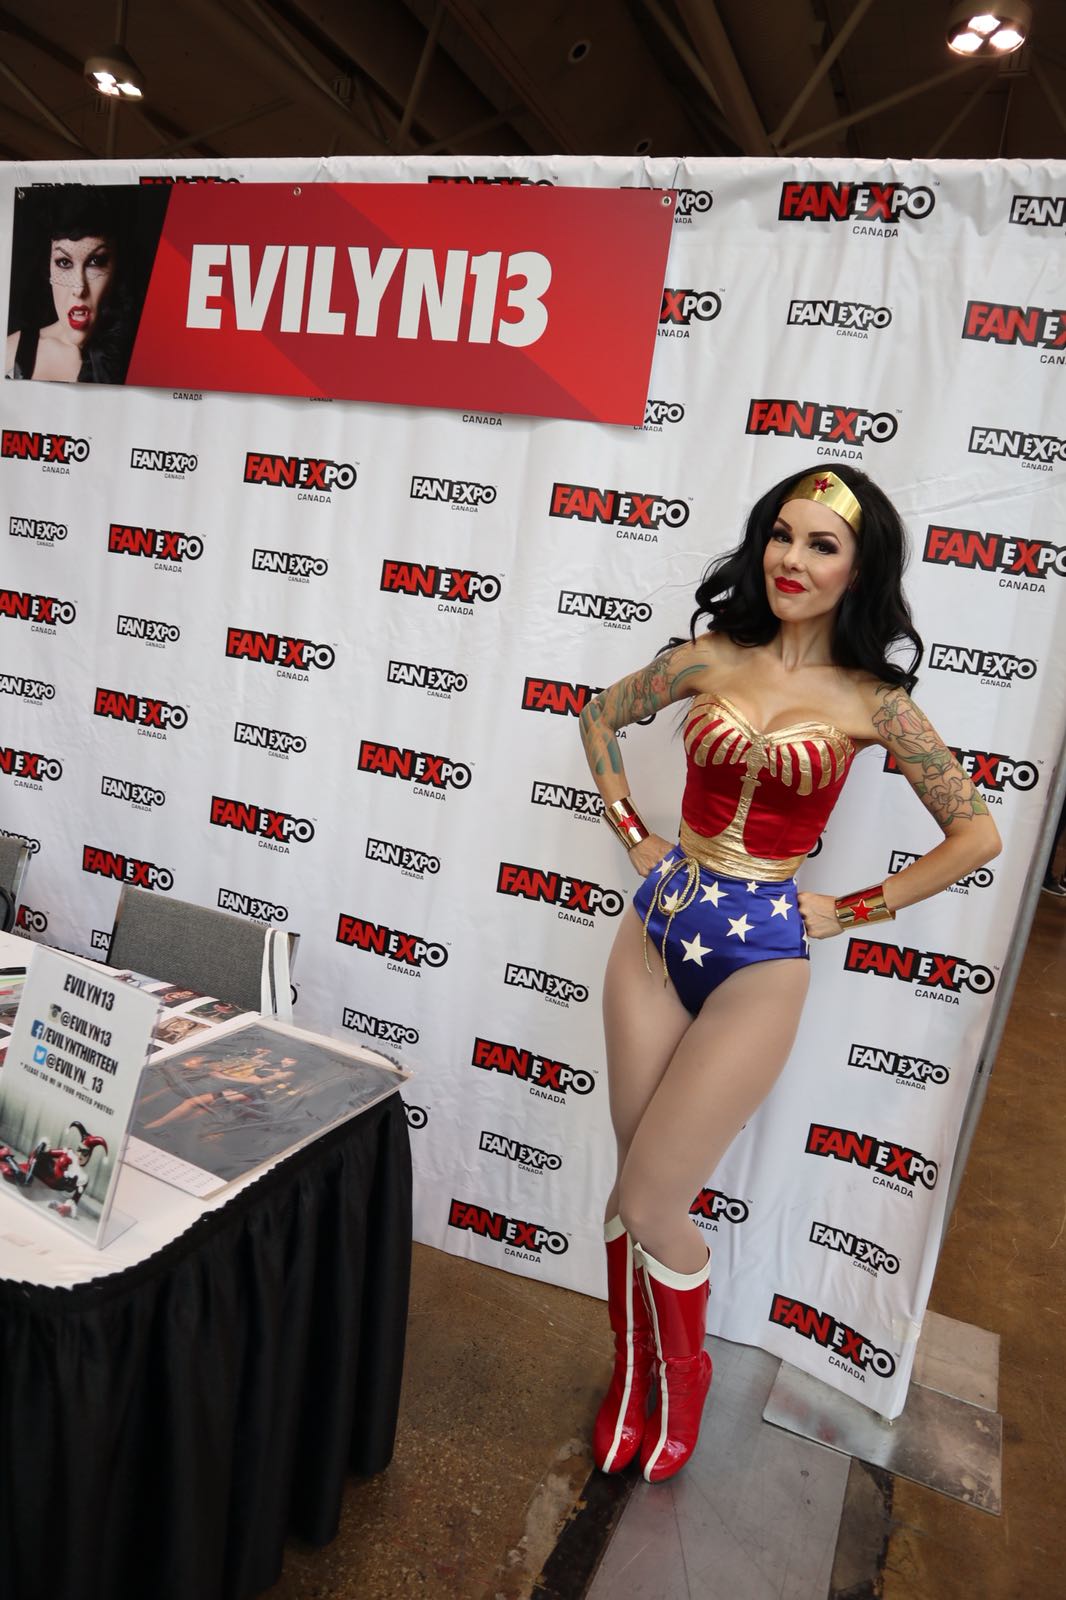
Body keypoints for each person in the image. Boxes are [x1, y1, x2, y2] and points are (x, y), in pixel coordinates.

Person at [579, 464, 1001, 1484]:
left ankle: (684, 1378)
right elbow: (597, 717)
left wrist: (853, 909)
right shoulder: (707, 657)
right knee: (633, 1188)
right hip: (656, 933)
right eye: (781, 533)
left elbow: (976, 835)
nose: (791, 558)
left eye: (821, 544)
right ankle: (630, 1377)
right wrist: (634, 834)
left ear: (860, 570)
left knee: (654, 1198)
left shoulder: (875, 703)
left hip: (760, 957)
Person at [5, 190, 130, 384]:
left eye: (96, 261)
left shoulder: (143, 354)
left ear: (117, 267)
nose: (78, 288)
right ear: (48, 267)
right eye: (64, 263)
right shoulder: (10, 353)